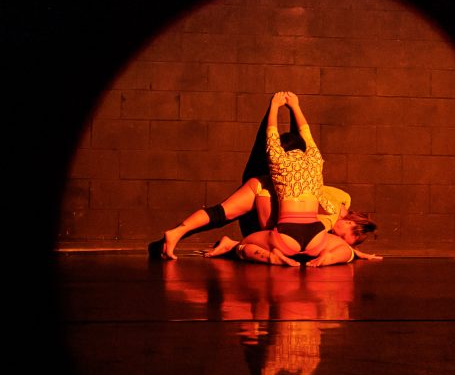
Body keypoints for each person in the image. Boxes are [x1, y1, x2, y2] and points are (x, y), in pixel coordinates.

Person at [150, 92, 380, 262]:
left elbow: (282, 134)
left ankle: (193, 236)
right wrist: (350, 253)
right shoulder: (316, 164)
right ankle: (234, 247)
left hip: (280, 222)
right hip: (301, 232)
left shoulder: (282, 162)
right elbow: (306, 135)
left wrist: (279, 106)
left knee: (222, 214)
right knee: (229, 217)